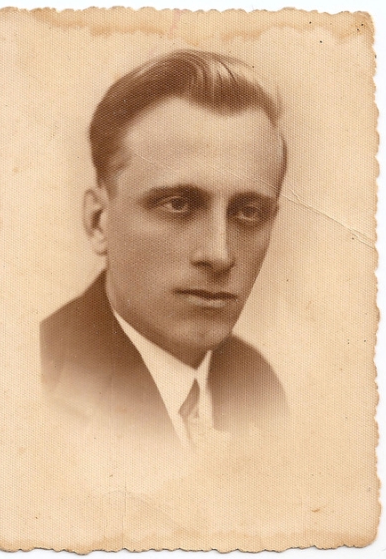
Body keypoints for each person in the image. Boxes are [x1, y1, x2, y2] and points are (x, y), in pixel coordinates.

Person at [40, 50, 288, 450]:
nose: (219, 254)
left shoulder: (257, 383)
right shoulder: (29, 384)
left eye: (248, 211)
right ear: (98, 221)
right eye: (178, 204)